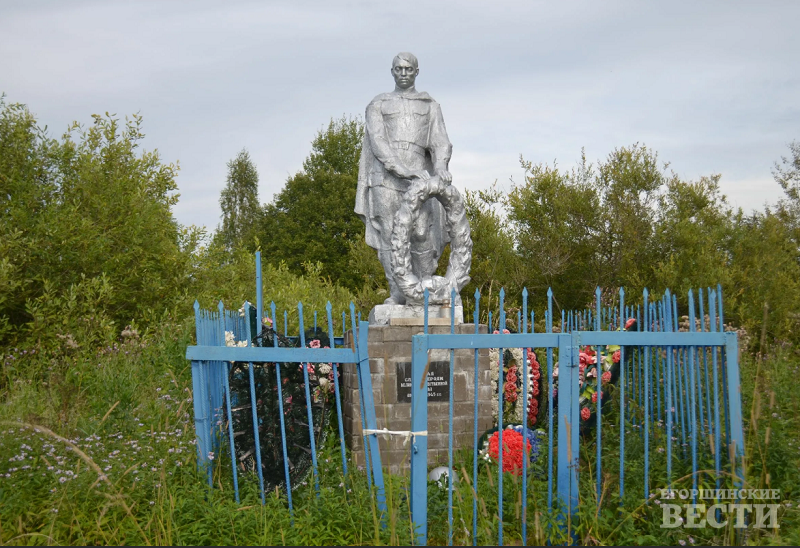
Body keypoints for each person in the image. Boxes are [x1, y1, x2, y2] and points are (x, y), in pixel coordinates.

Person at [354, 52, 453, 305]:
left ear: (417, 72)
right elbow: (377, 141)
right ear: (392, 71)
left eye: (409, 69)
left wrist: (440, 166)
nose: (404, 73)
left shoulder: (429, 105)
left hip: (420, 178)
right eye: (399, 69)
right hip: (386, 180)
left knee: (421, 233)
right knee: (391, 235)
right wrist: (401, 169)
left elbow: (440, 142)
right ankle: (398, 292)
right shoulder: (378, 104)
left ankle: (422, 290)